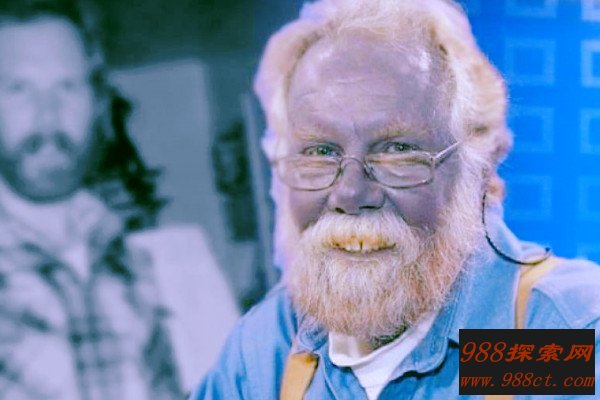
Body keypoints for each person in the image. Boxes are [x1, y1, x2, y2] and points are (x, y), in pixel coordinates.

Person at [193, 0, 600, 398]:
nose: (350, 193)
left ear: (476, 167)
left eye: (398, 150)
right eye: (320, 152)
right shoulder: (270, 346)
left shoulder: (557, 336)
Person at [0, 0, 238, 399]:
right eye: (18, 89)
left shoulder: (153, 265)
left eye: (67, 86)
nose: (48, 116)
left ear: (96, 103)